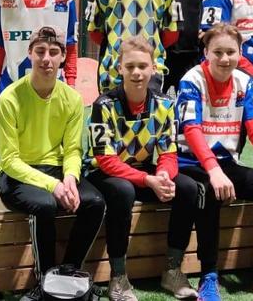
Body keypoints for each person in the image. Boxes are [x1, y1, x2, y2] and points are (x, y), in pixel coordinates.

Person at [176, 24, 253, 301]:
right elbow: (192, 130)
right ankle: (209, 276)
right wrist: (214, 170)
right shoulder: (192, 79)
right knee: (210, 189)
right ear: (206, 53)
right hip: (190, 163)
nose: (224, 58)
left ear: (240, 53)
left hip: (226, 162)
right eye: (217, 52)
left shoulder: (244, 82)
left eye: (231, 52)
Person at [86, 37, 201, 301]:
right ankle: (118, 277)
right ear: (120, 69)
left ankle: (172, 270)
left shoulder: (165, 104)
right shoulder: (103, 105)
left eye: (142, 66)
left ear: (153, 68)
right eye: (130, 66)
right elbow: (105, 160)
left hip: (143, 172)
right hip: (103, 174)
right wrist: (147, 180)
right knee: (123, 191)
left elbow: (169, 152)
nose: (136, 72)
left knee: (187, 188)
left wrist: (163, 176)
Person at [0, 27, 105, 301]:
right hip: (17, 175)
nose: (46, 58)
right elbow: (9, 161)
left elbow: (73, 150)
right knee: (45, 204)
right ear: (30, 54)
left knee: (94, 202)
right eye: (40, 52)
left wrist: (70, 178)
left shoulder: (73, 99)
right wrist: (53, 186)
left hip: (56, 171)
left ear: (62, 57)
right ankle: (43, 282)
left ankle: (68, 274)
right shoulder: (9, 97)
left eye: (53, 52)